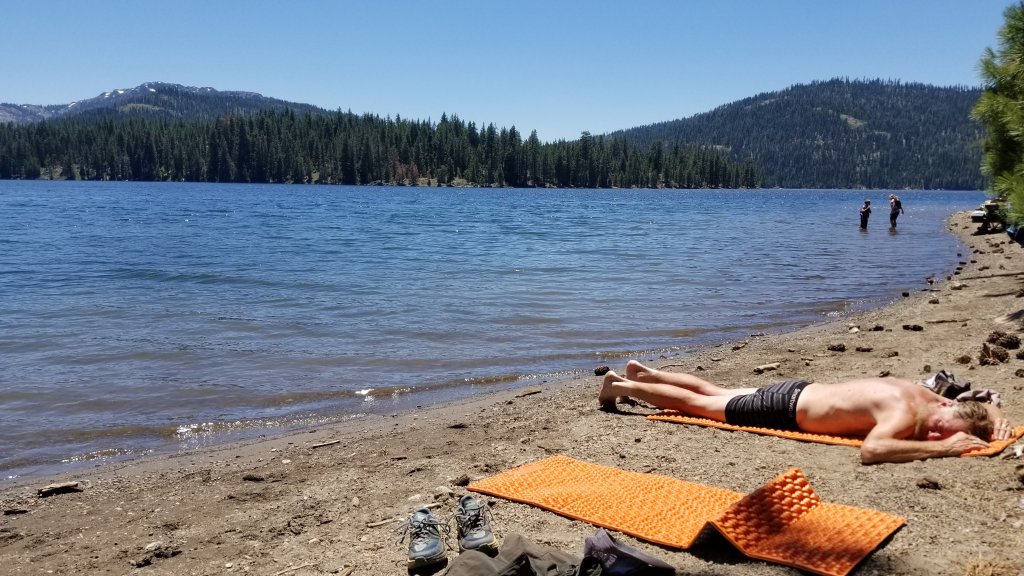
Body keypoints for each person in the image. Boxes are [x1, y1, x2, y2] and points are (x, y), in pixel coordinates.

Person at [598, 361, 1014, 464]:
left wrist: (996, 420)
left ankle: (645, 372)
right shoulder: (906, 415)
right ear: (946, 407)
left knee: (713, 391)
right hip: (782, 408)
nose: (936, 433)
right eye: (940, 428)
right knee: (698, 404)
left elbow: (982, 404)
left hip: (800, 390)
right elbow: (873, 450)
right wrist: (944, 449)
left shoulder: (929, 397)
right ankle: (619, 385)